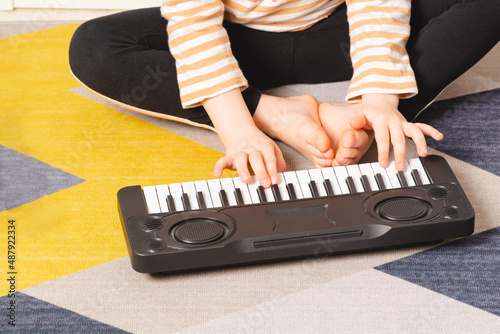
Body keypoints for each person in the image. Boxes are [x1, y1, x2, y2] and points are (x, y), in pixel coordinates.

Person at [69, 0, 499, 188]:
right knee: (94, 46)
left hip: (337, 34)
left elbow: (377, 4)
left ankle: (365, 118)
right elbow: (194, 26)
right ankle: (274, 112)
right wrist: (241, 130)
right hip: (239, 44)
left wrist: (380, 98)